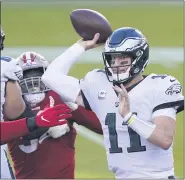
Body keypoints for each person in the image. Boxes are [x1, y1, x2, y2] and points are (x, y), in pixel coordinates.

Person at [42, 27, 184, 179]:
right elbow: (50, 77)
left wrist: (129, 117)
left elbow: (164, 139)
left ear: (139, 57)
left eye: (123, 59)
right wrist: (81, 46)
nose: (116, 64)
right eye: (112, 59)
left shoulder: (159, 86)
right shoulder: (100, 84)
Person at [7, 51, 102, 179]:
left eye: (37, 74)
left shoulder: (60, 97)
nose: (32, 83)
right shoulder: (10, 107)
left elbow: (102, 126)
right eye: (26, 76)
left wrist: (76, 107)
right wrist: (45, 126)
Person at [0, 28, 72, 178]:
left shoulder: (5, 67)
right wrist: (37, 122)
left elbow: (15, 112)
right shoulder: (5, 67)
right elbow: (15, 111)